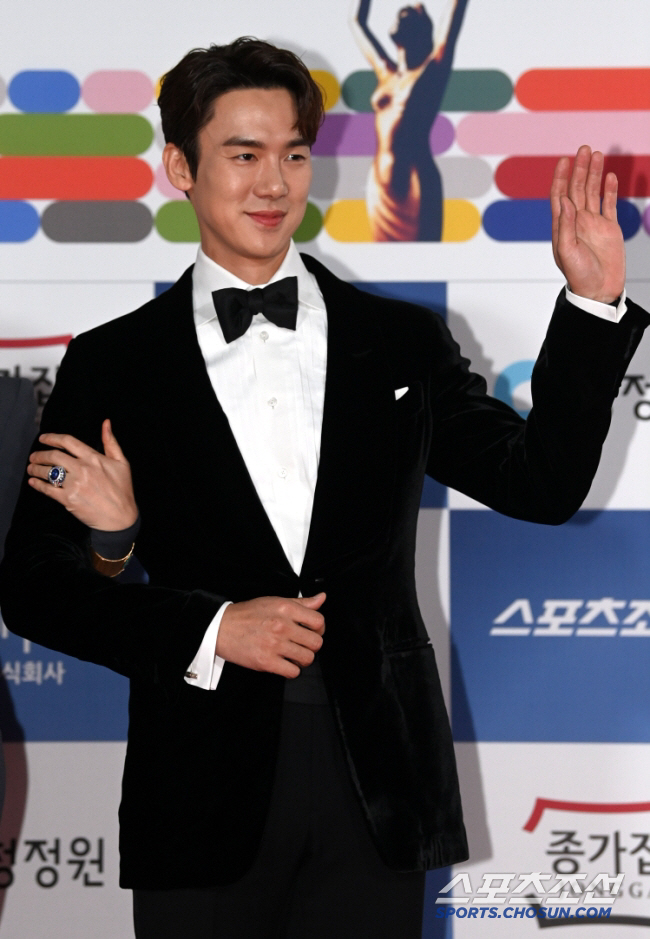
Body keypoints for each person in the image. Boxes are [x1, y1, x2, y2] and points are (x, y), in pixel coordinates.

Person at [0, 36, 647, 939]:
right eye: (244, 155)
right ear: (180, 167)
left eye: (294, 154)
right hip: (199, 791)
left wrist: (591, 306)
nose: (274, 184)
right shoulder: (114, 363)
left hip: (375, 787)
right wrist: (212, 627)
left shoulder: (402, 341)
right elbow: (34, 584)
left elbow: (541, 484)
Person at [351, 0, 470, 241]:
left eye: (408, 16)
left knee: (420, 258)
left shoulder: (432, 71)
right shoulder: (386, 72)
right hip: (380, 186)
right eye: (400, 14)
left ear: (421, 33)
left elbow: (455, 10)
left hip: (415, 185)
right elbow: (356, 21)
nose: (401, 15)